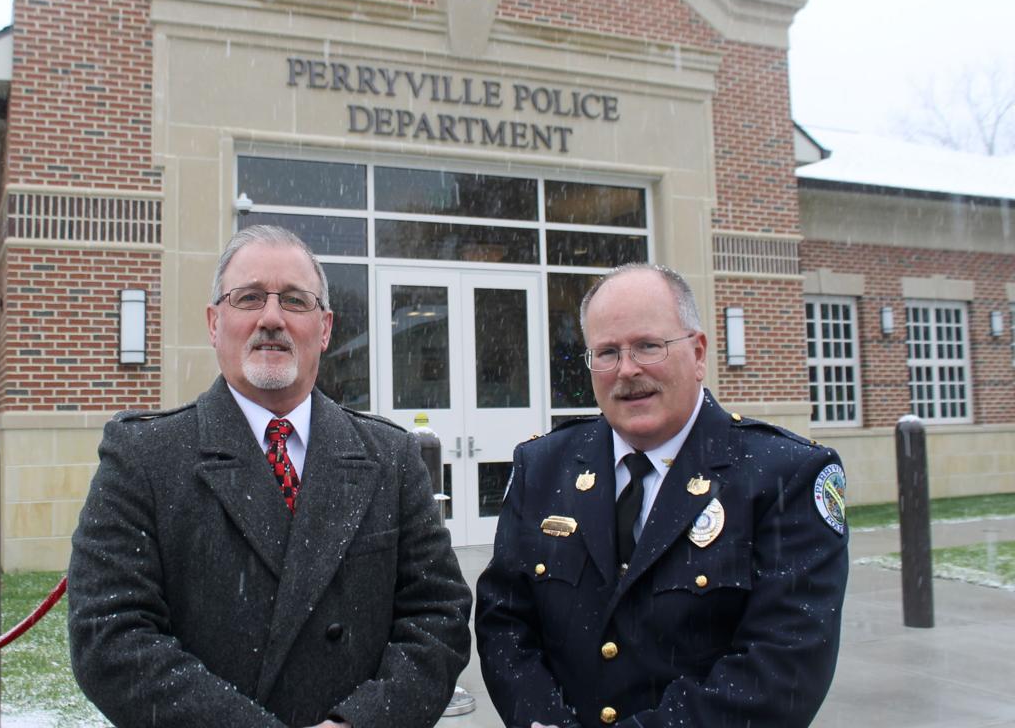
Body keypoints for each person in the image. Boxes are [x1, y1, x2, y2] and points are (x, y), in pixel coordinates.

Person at [68, 224, 472, 728]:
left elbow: (439, 616)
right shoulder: (144, 458)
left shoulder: (389, 457)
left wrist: (360, 722)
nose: (272, 318)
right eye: (250, 297)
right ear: (215, 323)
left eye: (295, 301)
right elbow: (110, 636)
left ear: (324, 329)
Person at [475, 263, 849, 728]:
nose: (627, 370)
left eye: (648, 346)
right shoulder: (543, 467)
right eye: (607, 352)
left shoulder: (784, 475)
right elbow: (504, 622)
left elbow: (783, 668)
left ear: (697, 353)